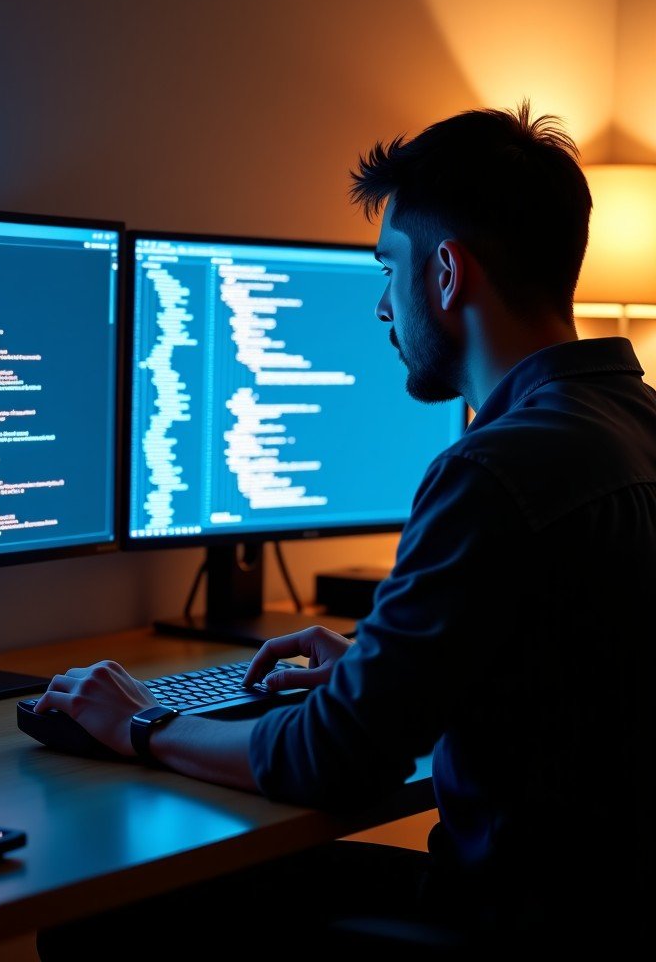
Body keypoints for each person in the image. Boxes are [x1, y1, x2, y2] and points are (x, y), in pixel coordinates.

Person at [34, 102, 656, 957]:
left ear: (445, 274)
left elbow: (335, 761)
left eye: (386, 269)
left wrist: (140, 723)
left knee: (97, 919)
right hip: (603, 910)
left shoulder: (490, 473)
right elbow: (581, 693)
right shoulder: (636, 426)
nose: (381, 308)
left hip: (507, 921)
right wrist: (382, 670)